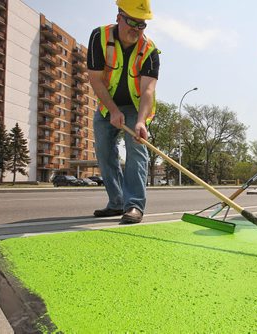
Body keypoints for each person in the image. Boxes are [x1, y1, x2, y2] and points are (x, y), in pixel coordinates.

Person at [87, 0, 160, 224]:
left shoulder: (150, 50)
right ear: (119, 16)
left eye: (142, 24)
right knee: (104, 151)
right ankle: (117, 201)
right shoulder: (99, 37)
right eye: (131, 22)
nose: (136, 29)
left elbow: (148, 89)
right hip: (107, 105)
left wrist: (140, 122)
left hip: (137, 108)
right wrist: (113, 110)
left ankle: (135, 205)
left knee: (136, 148)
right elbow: (96, 79)